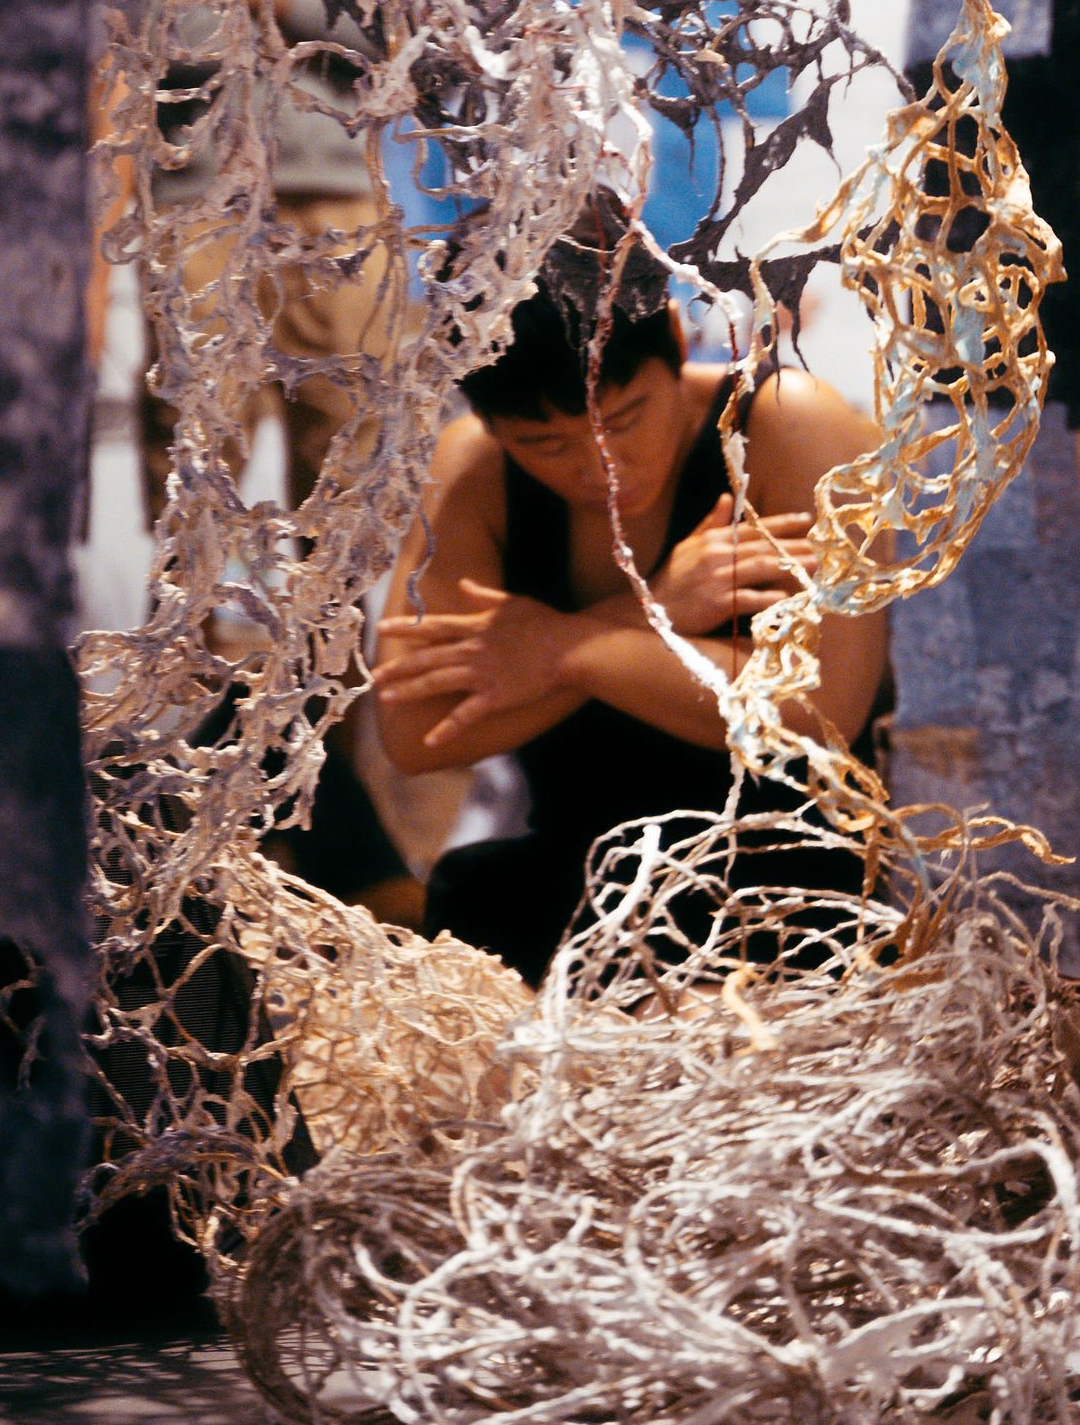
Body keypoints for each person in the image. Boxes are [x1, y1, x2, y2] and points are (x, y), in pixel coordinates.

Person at [371, 214, 892, 983]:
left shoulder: (787, 422)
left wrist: (558, 648)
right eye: (546, 445)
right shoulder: (475, 467)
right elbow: (417, 733)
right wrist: (657, 614)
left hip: (780, 888)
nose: (600, 469)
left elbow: (813, 714)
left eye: (623, 419)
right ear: (491, 423)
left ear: (676, 341)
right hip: (573, 880)